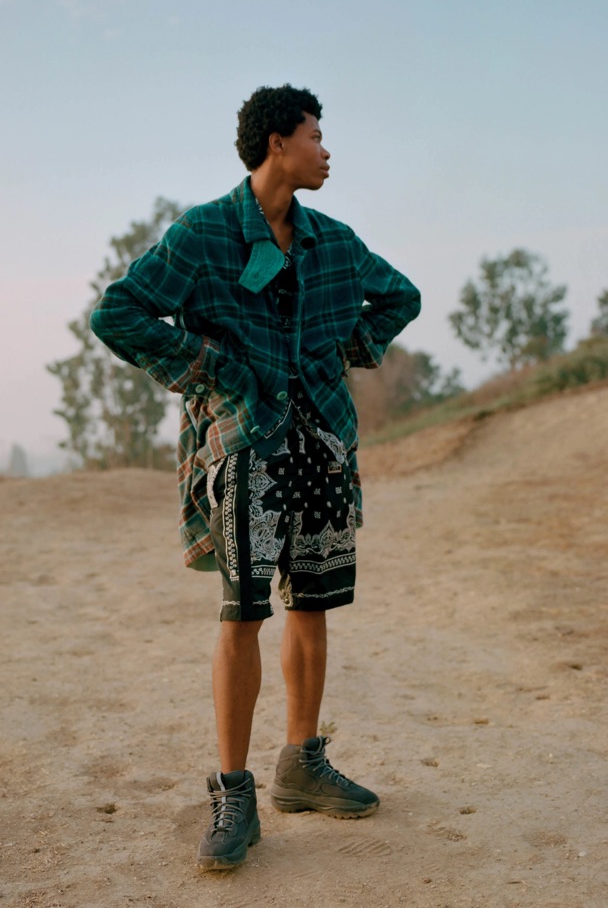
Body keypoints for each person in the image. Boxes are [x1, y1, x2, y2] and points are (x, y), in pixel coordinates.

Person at [90, 84, 421, 870]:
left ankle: (301, 763)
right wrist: (207, 366)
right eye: (316, 134)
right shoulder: (204, 235)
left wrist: (341, 351)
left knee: (313, 604)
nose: (326, 149)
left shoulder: (334, 242)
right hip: (243, 447)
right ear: (279, 143)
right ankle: (234, 790)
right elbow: (120, 312)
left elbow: (400, 296)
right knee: (242, 613)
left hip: (321, 446)